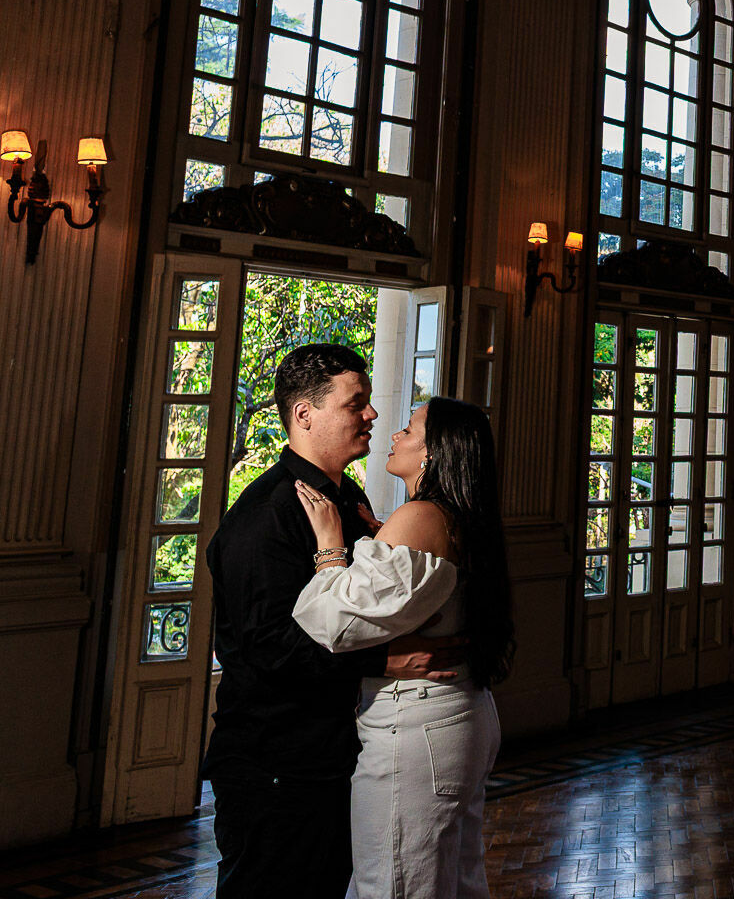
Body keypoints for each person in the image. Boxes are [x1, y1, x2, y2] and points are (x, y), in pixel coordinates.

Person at [203, 344, 467, 899]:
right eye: (357, 403)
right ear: (304, 414)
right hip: (275, 761)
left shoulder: (346, 498)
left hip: (330, 753)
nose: (372, 415)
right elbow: (264, 648)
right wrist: (388, 661)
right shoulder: (268, 513)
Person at [292, 395, 514, 899]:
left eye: (410, 430)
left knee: (393, 885)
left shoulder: (420, 516)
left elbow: (334, 625)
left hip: (416, 729)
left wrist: (331, 550)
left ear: (434, 452)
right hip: (461, 715)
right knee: (452, 881)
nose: (394, 435)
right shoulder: (455, 515)